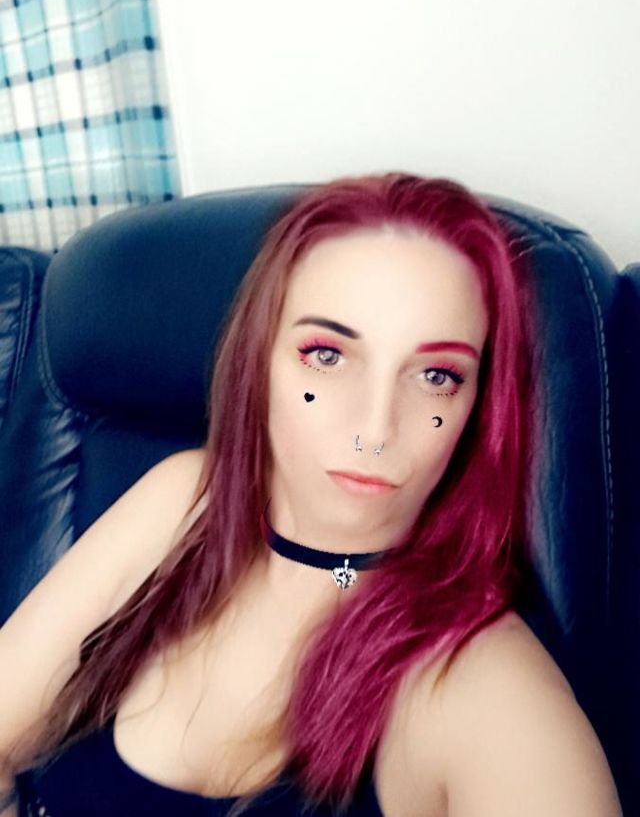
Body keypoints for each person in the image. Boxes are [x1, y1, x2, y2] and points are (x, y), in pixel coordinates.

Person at [0, 173, 622, 816]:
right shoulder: (183, 500)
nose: (374, 430)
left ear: (477, 406)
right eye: (327, 356)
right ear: (258, 360)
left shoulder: (483, 689)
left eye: (437, 375)